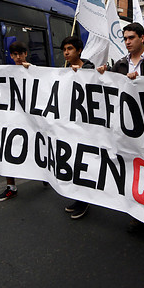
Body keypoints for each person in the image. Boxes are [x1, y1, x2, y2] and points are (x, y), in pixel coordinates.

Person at [98, 22, 144, 232]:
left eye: (131, 38)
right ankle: (138, 213)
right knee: (133, 168)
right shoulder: (120, 64)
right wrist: (103, 73)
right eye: (125, 38)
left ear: (142, 37)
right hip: (128, 125)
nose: (127, 42)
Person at [60, 36, 96, 219]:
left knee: (84, 163)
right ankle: (78, 198)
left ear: (79, 50)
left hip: (87, 127)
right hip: (70, 126)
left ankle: (84, 201)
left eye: (70, 49)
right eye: (64, 49)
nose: (66, 52)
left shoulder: (90, 69)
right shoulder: (63, 71)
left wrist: (80, 74)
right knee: (73, 163)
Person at [0, 41, 31, 202]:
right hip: (12, 120)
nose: (17, 57)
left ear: (25, 54)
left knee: (37, 149)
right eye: (14, 55)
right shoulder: (5, 72)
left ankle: (45, 174)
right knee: (7, 150)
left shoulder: (34, 70)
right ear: (10, 56)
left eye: (20, 54)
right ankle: (11, 187)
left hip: (32, 120)